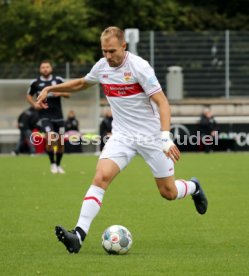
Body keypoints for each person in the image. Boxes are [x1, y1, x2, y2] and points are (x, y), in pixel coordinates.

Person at [37, 26, 208, 254]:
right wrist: (51, 88)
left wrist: (165, 139)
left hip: (151, 136)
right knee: (100, 177)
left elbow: (163, 102)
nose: (107, 56)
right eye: (104, 51)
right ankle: (78, 234)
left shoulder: (139, 67)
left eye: (112, 51)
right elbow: (81, 83)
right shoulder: (102, 66)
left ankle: (194, 187)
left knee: (168, 192)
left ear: (123, 46)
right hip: (122, 136)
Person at [26, 60, 70, 174]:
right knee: (50, 138)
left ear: (51, 68)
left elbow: (68, 93)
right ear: (40, 69)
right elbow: (28, 95)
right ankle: (52, 164)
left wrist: (60, 93)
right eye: (43, 67)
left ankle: (59, 165)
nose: (45, 69)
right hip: (44, 116)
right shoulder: (35, 82)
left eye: (47, 67)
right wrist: (34, 104)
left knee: (60, 143)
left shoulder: (58, 80)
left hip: (59, 117)